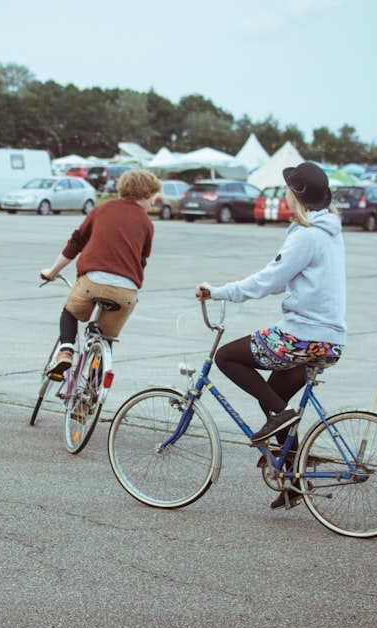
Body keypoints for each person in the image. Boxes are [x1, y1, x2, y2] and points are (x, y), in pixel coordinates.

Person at [195, 162, 345, 509]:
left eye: (288, 191)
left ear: (296, 196)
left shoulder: (306, 235)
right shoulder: (330, 231)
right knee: (273, 396)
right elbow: (289, 281)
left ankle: (282, 418)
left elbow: (269, 281)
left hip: (302, 336)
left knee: (227, 357)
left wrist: (219, 292)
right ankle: (293, 481)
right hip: (330, 338)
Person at [40, 168, 161, 377]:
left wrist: (52, 272)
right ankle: (91, 396)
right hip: (126, 293)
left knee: (70, 311)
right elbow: (141, 261)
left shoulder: (101, 210)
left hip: (92, 282)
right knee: (105, 340)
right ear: (143, 194)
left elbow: (76, 243)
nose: (153, 202)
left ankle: (66, 351)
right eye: (152, 197)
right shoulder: (147, 224)